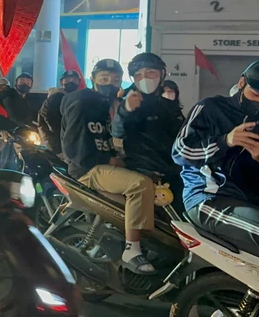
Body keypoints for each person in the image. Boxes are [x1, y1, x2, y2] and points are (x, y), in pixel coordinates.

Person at [60, 58, 156, 274]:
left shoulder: (108, 106)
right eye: (104, 78)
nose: (110, 83)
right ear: (92, 79)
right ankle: (132, 249)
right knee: (140, 184)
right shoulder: (83, 102)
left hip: (100, 165)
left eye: (115, 80)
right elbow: (74, 147)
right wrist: (108, 160)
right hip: (87, 169)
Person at [172, 61, 259, 258]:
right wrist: (225, 141)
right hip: (209, 198)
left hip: (249, 201)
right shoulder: (210, 108)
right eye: (255, 94)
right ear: (241, 83)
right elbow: (180, 152)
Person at [112, 53, 185, 212]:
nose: (144, 78)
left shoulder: (169, 104)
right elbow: (116, 131)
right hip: (144, 173)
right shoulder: (130, 104)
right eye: (138, 75)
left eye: (150, 72)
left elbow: (183, 136)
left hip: (174, 174)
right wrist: (125, 110)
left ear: (162, 74)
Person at [37, 70, 81, 154]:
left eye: (74, 80)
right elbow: (51, 120)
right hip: (57, 142)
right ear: (61, 82)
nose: (71, 83)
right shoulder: (56, 97)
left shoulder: (74, 97)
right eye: (67, 80)